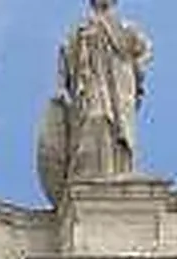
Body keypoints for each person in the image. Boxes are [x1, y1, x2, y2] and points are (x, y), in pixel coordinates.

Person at [58, 0, 153, 182]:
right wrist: (62, 86)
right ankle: (93, 171)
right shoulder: (82, 28)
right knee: (97, 118)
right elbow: (65, 55)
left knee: (122, 128)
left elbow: (145, 48)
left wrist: (137, 66)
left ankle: (121, 169)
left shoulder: (125, 26)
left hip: (120, 81)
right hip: (92, 82)